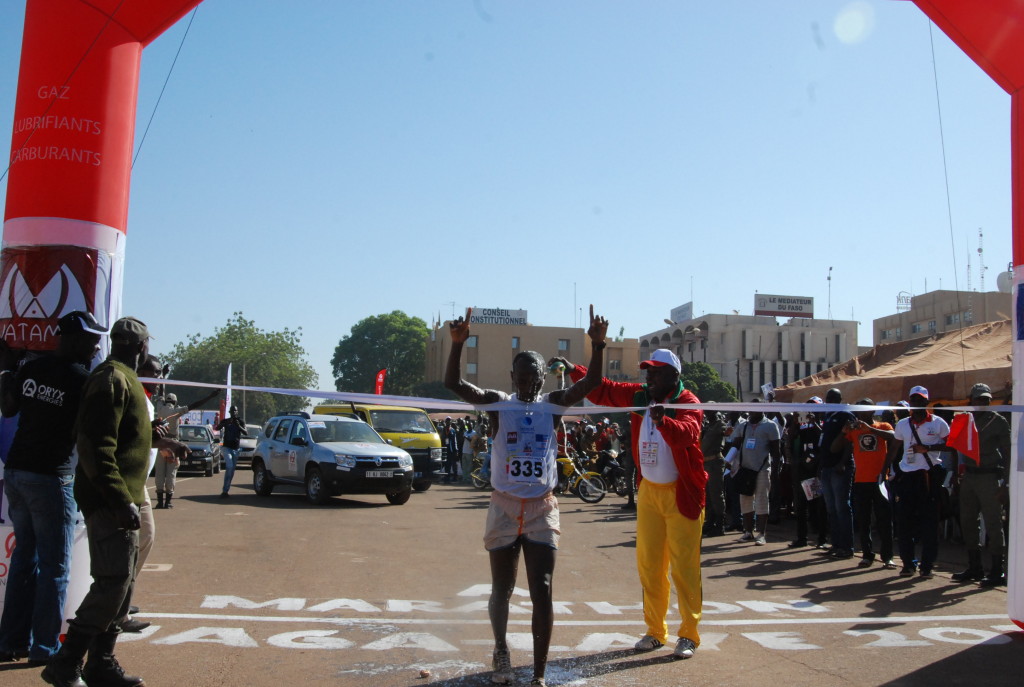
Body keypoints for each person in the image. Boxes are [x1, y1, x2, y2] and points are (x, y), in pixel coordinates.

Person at [445, 305, 608, 687]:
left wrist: (597, 346)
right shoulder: (498, 404)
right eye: (520, 377)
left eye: (533, 377)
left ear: (541, 377)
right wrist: (457, 345)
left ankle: (538, 671)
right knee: (502, 587)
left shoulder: (553, 405)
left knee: (543, 589)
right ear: (511, 377)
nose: (527, 383)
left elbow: (591, 385)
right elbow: (454, 384)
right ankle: (501, 650)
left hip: (541, 508)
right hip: (503, 506)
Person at [561, 347, 706, 661]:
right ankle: (655, 632)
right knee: (650, 567)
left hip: (682, 494)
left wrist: (664, 421)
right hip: (650, 492)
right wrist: (575, 369)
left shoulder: (687, 402)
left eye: (655, 371)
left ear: (674, 375)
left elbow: (687, 435)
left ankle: (688, 635)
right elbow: (604, 391)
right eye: (647, 371)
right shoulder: (641, 396)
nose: (649, 377)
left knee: (684, 568)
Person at [42, 316, 154, 687]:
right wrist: (119, 499)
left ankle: (101, 663)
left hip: (125, 498)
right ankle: (66, 662)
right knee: (111, 583)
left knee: (121, 587)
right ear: (142, 347)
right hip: (111, 502)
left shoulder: (122, 377)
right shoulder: (111, 380)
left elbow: (123, 441)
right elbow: (95, 447)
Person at [0, 312, 105, 665]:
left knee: (24, 561)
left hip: (16, 473)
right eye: (91, 340)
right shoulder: (81, 380)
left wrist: (6, 372)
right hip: (49, 477)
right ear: (71, 339)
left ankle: (10, 640)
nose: (95, 347)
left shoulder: (32, 370)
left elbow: (8, 407)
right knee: (55, 566)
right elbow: (87, 432)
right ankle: (43, 647)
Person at [886, 385, 950, 578]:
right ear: (910, 403)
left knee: (929, 523)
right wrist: (886, 469)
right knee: (904, 522)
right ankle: (908, 564)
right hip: (907, 476)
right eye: (914, 400)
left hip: (928, 476)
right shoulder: (903, 424)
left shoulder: (938, 423)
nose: (917, 403)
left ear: (926, 402)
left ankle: (927, 565)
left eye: (921, 400)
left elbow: (951, 445)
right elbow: (895, 447)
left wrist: (928, 448)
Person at [951, 383, 1010, 586]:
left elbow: (1007, 452)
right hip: (968, 475)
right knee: (968, 521)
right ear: (971, 400)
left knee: (993, 523)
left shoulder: (998, 421)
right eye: (979, 399)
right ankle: (974, 566)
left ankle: (997, 570)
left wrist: (1006, 484)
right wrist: (956, 474)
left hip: (989, 476)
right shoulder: (964, 419)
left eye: (986, 399)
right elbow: (955, 447)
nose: (983, 402)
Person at [834, 399, 896, 569]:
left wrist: (870, 429)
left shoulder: (883, 425)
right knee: (864, 520)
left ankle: (888, 556)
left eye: (865, 409)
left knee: (884, 519)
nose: (862, 413)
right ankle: (867, 555)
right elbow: (835, 447)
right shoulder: (854, 430)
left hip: (880, 480)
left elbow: (893, 437)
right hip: (861, 480)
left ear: (872, 410)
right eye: (859, 410)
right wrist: (843, 431)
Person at [152, 387, 217, 508]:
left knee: (159, 472)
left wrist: (163, 382)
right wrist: (210, 396)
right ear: (175, 402)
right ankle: (168, 502)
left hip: (160, 444)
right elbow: (194, 405)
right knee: (171, 472)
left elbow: (161, 394)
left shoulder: (160, 407)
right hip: (172, 445)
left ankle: (160, 501)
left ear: (166, 401)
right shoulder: (176, 411)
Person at [731, 399, 780, 545]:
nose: (752, 411)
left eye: (755, 408)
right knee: (745, 500)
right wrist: (729, 461)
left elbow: (776, 451)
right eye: (750, 408)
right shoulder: (743, 425)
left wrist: (776, 470)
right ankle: (748, 532)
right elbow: (735, 444)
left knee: (761, 499)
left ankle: (761, 534)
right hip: (744, 468)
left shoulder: (770, 426)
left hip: (762, 469)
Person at [817, 388, 857, 559]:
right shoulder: (827, 415)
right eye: (828, 397)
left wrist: (842, 462)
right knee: (831, 508)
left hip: (840, 467)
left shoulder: (846, 415)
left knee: (842, 507)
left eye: (834, 397)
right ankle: (836, 543)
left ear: (841, 399)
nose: (830, 400)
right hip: (826, 466)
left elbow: (850, 441)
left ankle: (847, 547)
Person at [700, 407, 727, 537]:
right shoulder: (707, 426)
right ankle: (710, 522)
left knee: (716, 494)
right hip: (706, 463)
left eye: (709, 411)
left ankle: (720, 525)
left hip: (715, 463)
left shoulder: (719, 425)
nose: (707, 414)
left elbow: (726, 431)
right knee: (708, 495)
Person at [215, 406, 248, 498]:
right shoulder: (226, 421)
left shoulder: (240, 421)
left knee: (232, 471)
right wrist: (223, 424)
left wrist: (239, 426)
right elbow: (217, 428)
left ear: (237, 412)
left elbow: (246, 432)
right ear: (229, 412)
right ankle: (224, 491)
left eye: (235, 411)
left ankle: (226, 490)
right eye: (232, 411)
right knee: (229, 466)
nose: (234, 412)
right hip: (226, 447)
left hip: (236, 449)